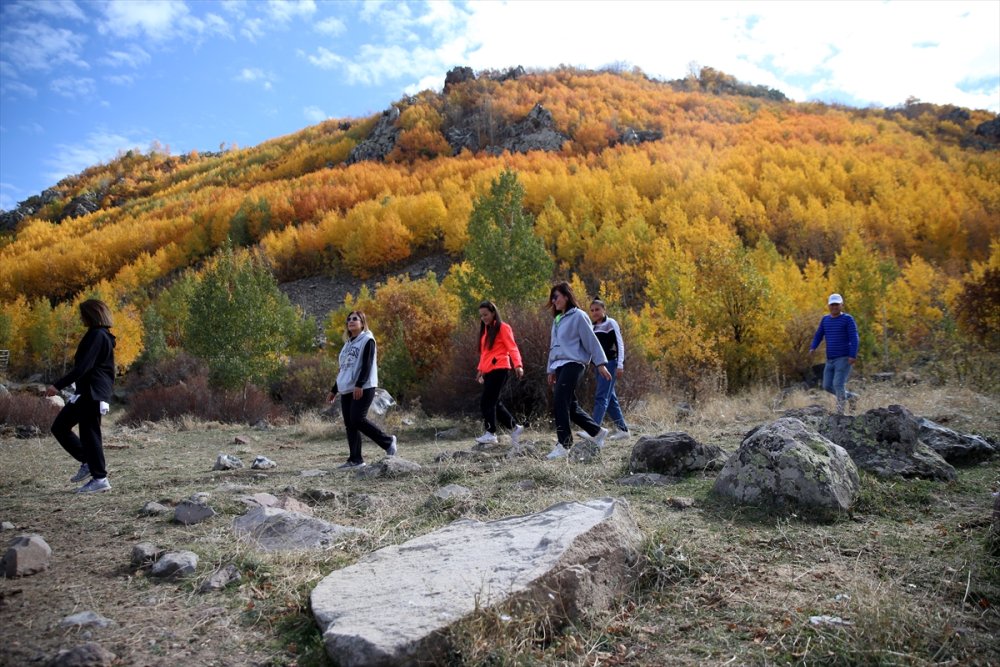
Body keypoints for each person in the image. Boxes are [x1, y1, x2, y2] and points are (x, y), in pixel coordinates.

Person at [45, 299, 117, 493]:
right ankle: (88, 461)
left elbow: (82, 368)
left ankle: (100, 479)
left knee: (90, 433)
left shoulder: (97, 336)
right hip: (87, 392)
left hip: (92, 393)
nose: (80, 318)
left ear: (90, 315)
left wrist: (57, 386)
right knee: (61, 427)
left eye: (82, 314)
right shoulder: (99, 335)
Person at [546, 282, 613, 459]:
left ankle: (564, 444)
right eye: (552, 298)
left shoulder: (579, 316)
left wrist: (600, 363)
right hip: (559, 365)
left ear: (566, 297)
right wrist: (550, 370)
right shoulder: (557, 320)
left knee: (560, 399)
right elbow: (553, 346)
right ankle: (597, 432)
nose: (554, 301)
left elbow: (591, 340)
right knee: (570, 406)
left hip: (574, 363)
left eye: (556, 297)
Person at [327, 311, 397, 468]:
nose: (351, 321)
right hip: (346, 388)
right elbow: (344, 369)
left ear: (362, 323)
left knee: (358, 419)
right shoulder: (347, 345)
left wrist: (360, 384)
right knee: (350, 424)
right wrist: (334, 389)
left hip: (363, 386)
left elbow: (367, 364)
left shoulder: (367, 340)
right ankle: (355, 460)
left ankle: (388, 441)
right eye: (349, 319)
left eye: (355, 319)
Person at [475, 301, 525, 445]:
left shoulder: (503, 327)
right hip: (489, 370)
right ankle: (514, 427)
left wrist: (518, 365)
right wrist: (480, 370)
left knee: (486, 401)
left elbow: (512, 347)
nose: (483, 318)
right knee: (494, 402)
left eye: (486, 314)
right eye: (481, 316)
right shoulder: (485, 331)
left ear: (493, 312)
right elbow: (485, 353)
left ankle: (490, 433)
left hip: (501, 368)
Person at [809, 293, 860, 415]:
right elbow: (819, 335)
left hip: (844, 358)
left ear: (842, 305)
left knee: (838, 384)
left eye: (837, 304)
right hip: (830, 359)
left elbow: (854, 338)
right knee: (827, 385)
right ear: (828, 306)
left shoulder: (848, 319)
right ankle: (852, 397)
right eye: (832, 305)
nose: (834, 307)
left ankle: (840, 413)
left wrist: (853, 355)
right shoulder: (825, 320)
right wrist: (813, 347)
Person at [586, 299, 630, 440]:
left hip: (610, 364)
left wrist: (620, 364)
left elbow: (619, 344)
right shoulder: (591, 327)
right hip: (598, 367)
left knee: (601, 397)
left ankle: (593, 431)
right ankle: (623, 430)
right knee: (610, 399)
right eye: (592, 310)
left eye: (597, 309)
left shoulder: (610, 323)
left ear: (604, 309)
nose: (594, 313)